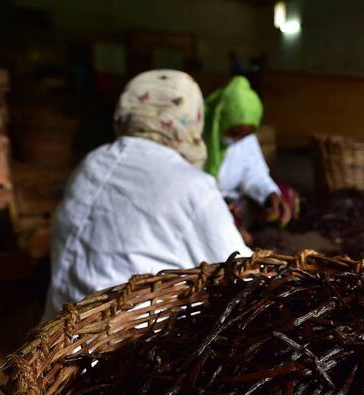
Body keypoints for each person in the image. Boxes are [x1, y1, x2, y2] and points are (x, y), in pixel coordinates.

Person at [44, 70, 250, 320]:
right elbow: (242, 273)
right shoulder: (192, 184)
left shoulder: (94, 161)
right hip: (119, 345)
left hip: (57, 330)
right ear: (192, 118)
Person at [203, 76, 298, 244]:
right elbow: (186, 188)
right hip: (201, 204)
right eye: (234, 133)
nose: (239, 140)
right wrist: (217, 207)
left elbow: (254, 172)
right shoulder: (197, 138)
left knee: (284, 199)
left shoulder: (246, 140)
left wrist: (271, 194)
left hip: (233, 201)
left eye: (245, 135)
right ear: (219, 121)